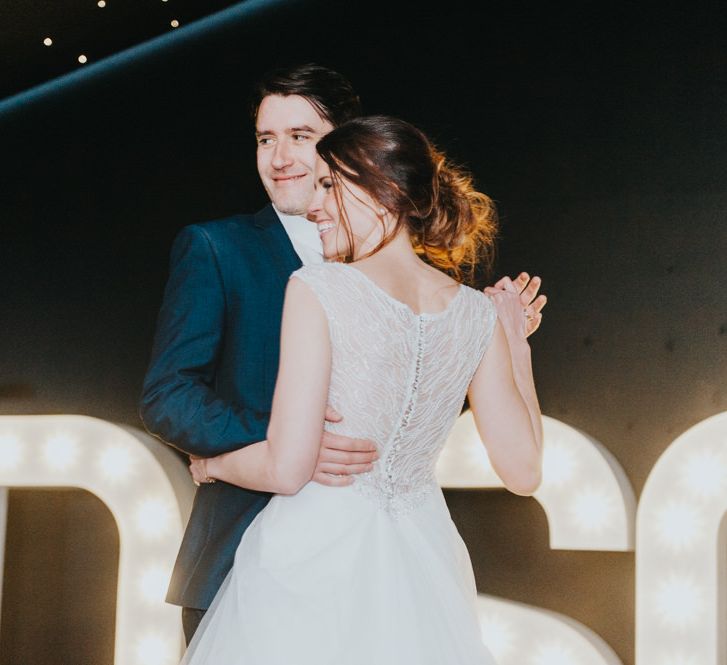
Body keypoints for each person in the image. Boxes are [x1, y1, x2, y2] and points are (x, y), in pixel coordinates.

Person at [140, 63, 546, 646]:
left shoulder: (336, 289)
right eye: (264, 139)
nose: (280, 157)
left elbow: (393, 414)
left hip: (355, 562)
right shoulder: (216, 247)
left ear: (351, 156)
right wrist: (282, 436)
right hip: (248, 561)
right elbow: (166, 396)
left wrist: (233, 461)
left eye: (301, 138)